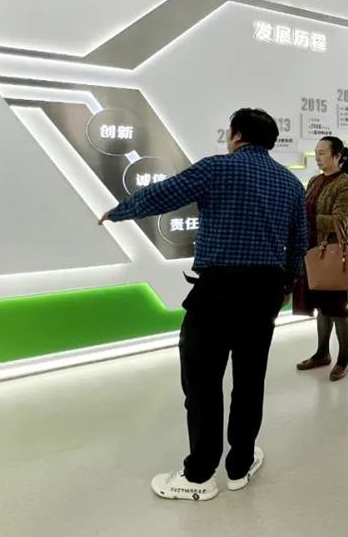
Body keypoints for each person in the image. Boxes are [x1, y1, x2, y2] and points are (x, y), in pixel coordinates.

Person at [99, 108, 308, 502]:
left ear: (237, 135)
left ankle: (199, 474)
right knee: (250, 381)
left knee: (202, 383)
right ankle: (239, 466)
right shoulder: (290, 183)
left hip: (217, 291)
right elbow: (299, 243)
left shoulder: (217, 168)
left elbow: (164, 194)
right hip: (264, 292)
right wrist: (287, 284)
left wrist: (120, 211)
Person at [294, 136, 348, 382]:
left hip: (333, 254)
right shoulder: (315, 180)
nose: (318, 158)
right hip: (313, 252)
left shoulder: (346, 183)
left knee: (338, 308)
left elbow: (340, 221)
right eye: (316, 153)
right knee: (322, 306)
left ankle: (343, 358)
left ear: (337, 156)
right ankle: (322, 353)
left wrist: (306, 218)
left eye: (322, 153)